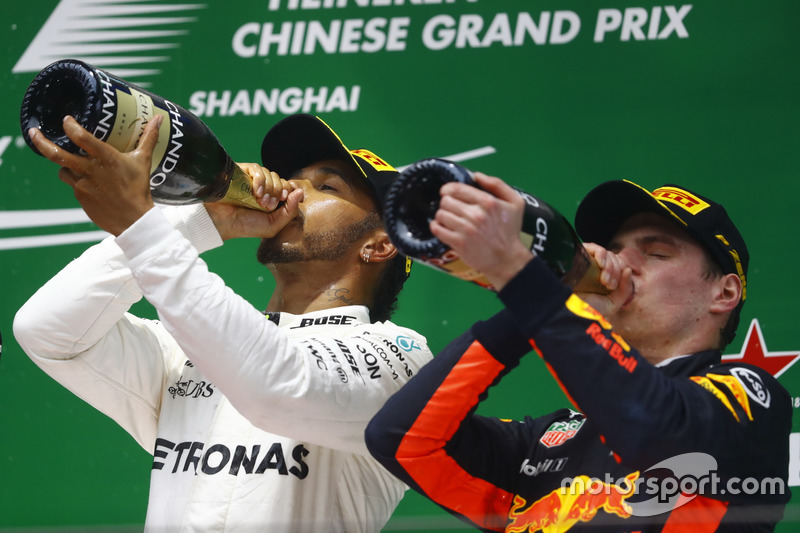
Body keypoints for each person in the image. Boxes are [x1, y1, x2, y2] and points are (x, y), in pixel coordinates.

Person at [14, 113, 433, 532]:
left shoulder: (403, 359)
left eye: (326, 186)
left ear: (379, 245)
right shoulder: (188, 352)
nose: (292, 190)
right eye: (294, 177)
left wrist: (141, 228)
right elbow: (47, 331)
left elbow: (277, 387)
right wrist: (199, 222)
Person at [365, 174, 791, 532]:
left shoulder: (750, 399)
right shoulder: (546, 442)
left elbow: (654, 429)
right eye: (618, 248)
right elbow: (401, 440)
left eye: (656, 251)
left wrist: (523, 279)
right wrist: (536, 303)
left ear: (724, 292)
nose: (623, 262)